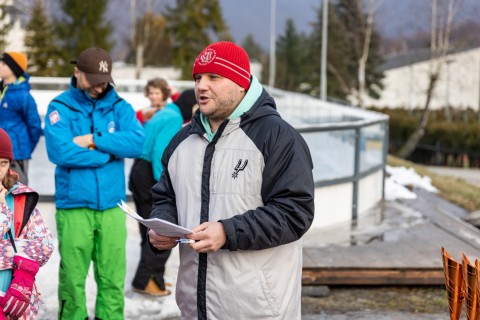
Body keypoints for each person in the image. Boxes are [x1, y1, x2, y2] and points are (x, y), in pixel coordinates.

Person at [148, 41, 315, 319]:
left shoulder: (278, 137)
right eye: (198, 78)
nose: (201, 86)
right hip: (195, 307)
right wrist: (161, 226)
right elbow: (166, 196)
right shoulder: (181, 139)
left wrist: (228, 232)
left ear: (241, 84)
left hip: (256, 309)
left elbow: (294, 212)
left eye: (214, 77)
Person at [43, 47, 144, 320]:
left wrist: (94, 140)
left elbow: (138, 142)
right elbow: (59, 152)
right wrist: (109, 154)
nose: (101, 87)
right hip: (74, 206)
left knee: (112, 276)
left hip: (112, 206)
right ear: (77, 72)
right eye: (94, 79)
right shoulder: (60, 106)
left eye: (105, 80)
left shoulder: (120, 107)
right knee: (73, 279)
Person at [129, 78, 176, 296]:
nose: (154, 97)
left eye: (158, 93)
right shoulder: (150, 114)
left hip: (143, 171)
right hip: (148, 172)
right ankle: (144, 280)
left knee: (154, 230)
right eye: (151, 93)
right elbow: (159, 151)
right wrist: (163, 183)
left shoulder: (165, 112)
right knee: (157, 230)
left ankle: (156, 279)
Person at [0, 128, 53, 320]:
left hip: (17, 298)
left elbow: (45, 246)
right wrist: (18, 252)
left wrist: (25, 271)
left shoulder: (20, 198)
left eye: (3, 163)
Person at [0, 52, 42, 185]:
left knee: (17, 193)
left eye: (4, 63)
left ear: (13, 68)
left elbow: (35, 127)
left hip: (16, 156)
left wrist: (24, 149)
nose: (0, 66)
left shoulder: (24, 96)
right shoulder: (2, 91)